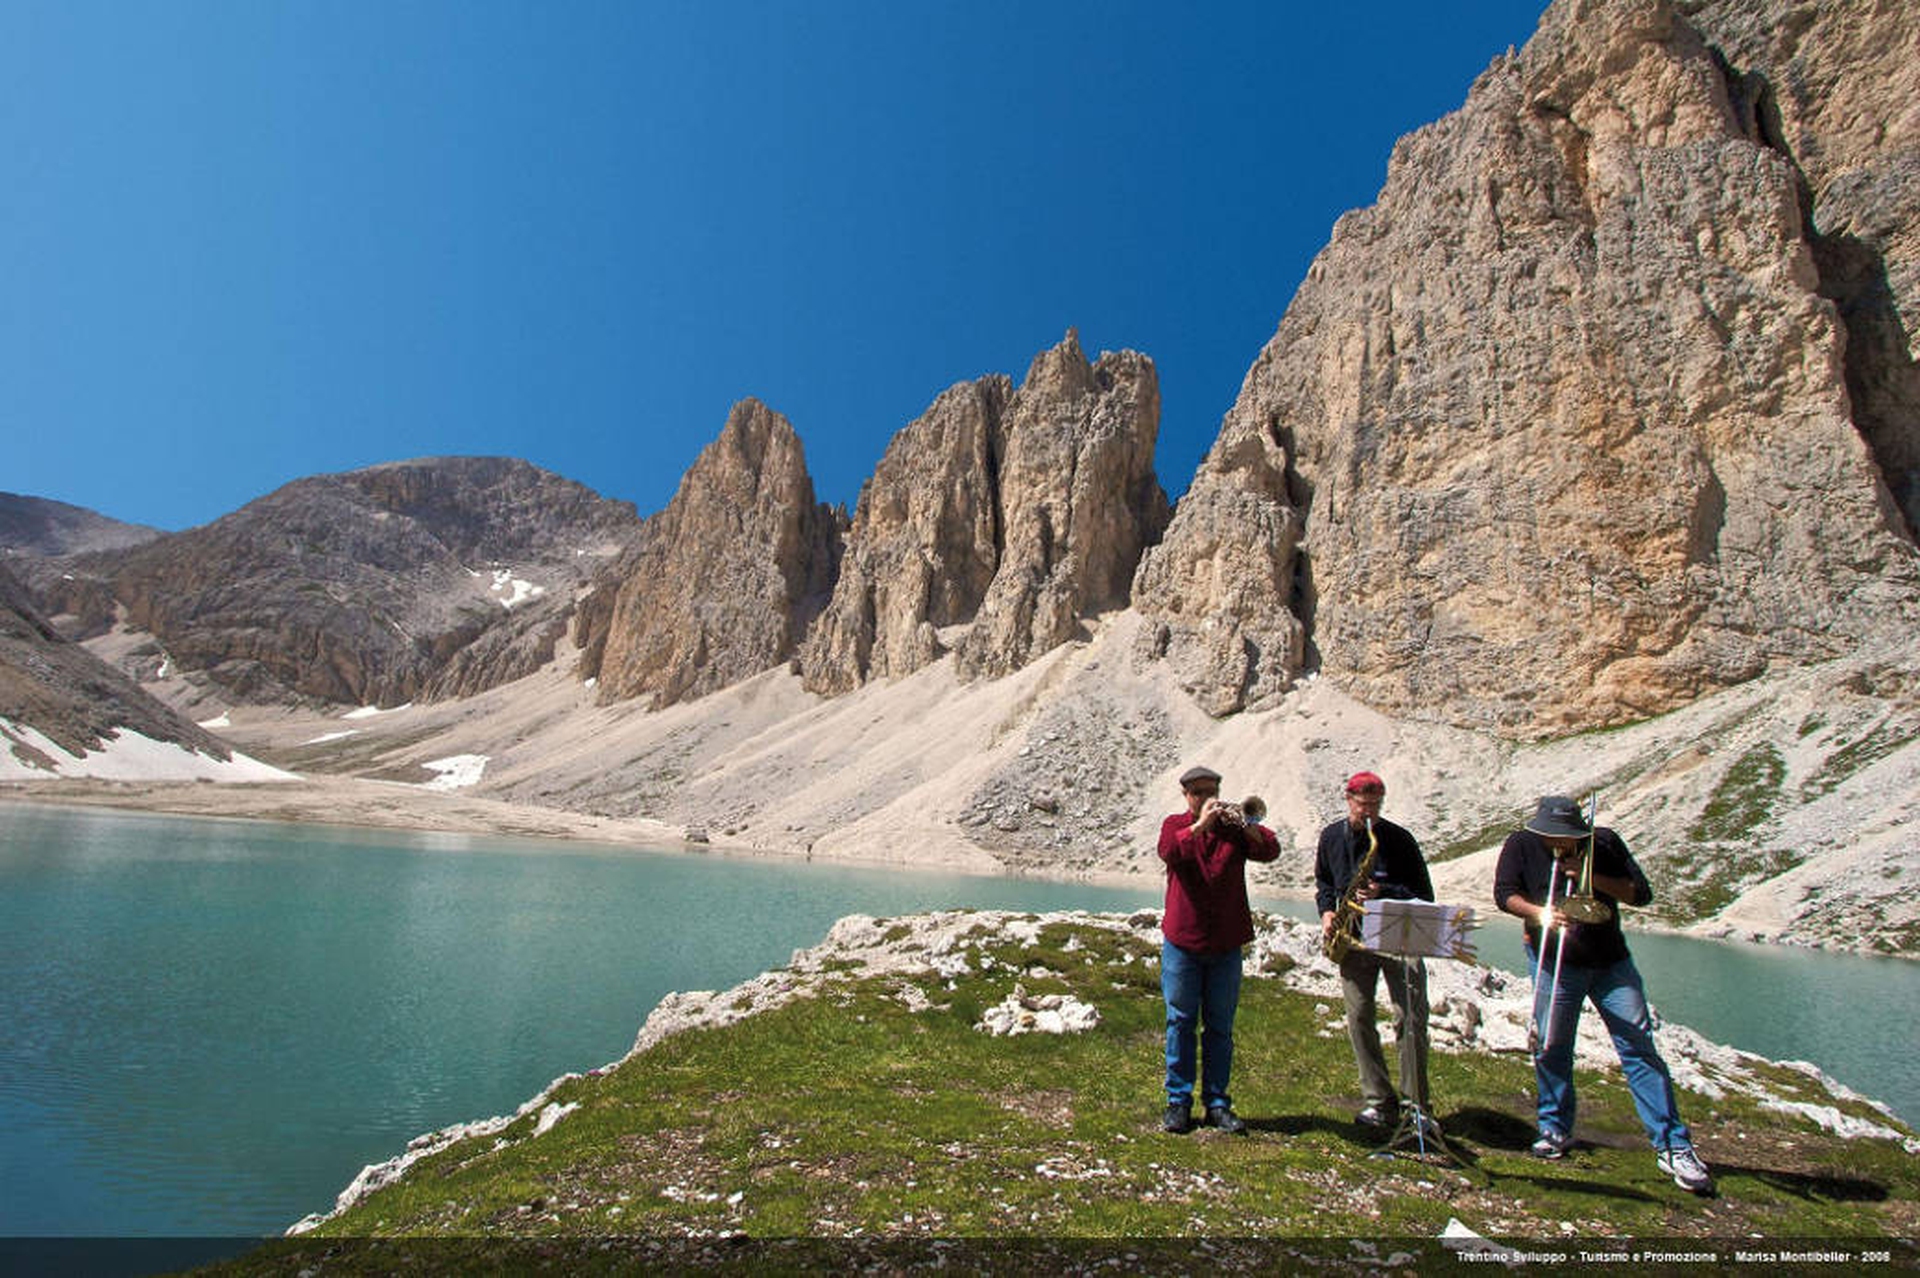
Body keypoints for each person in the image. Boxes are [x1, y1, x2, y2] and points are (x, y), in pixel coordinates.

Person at [1493, 796, 1715, 1194]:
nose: (1557, 843)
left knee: (1638, 1046)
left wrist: (1590, 877)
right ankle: (1554, 1128)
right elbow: (1504, 893)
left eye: (1565, 837)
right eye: (1550, 837)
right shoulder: (1521, 843)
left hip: (1610, 962)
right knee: (1551, 1045)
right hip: (1552, 961)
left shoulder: (1605, 842)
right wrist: (1538, 912)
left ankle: (1673, 1144)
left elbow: (1638, 893)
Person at [1157, 764, 1280, 1135]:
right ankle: (1178, 1102)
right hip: (1184, 941)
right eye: (1197, 793)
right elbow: (1169, 851)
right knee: (1180, 1022)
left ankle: (1217, 1103)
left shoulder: (1233, 829)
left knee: (1220, 1027)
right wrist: (1199, 826)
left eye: (1211, 792)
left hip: (1226, 942)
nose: (1205, 799)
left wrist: (1249, 825)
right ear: (1186, 796)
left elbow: (1270, 850)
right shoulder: (1174, 825)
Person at [1314, 770, 1436, 1133]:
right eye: (1362, 805)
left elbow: (1424, 895)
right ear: (1348, 800)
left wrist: (1385, 891)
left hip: (1398, 936)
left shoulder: (1398, 839)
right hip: (1352, 936)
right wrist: (1327, 911)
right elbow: (1323, 880)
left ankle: (1417, 1106)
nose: (1368, 813)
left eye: (1375, 806)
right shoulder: (1331, 836)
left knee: (1410, 1018)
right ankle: (1379, 1101)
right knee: (1360, 1017)